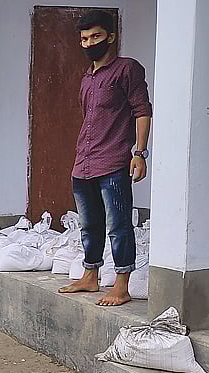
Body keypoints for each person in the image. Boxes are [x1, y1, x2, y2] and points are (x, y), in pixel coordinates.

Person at [58, 10, 152, 307]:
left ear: (110, 36)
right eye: (84, 39)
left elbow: (142, 111)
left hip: (113, 162)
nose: (89, 43)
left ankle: (122, 286)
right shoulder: (87, 78)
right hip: (83, 163)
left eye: (95, 36)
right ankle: (90, 276)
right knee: (89, 225)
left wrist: (139, 153)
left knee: (118, 225)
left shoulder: (127, 69)